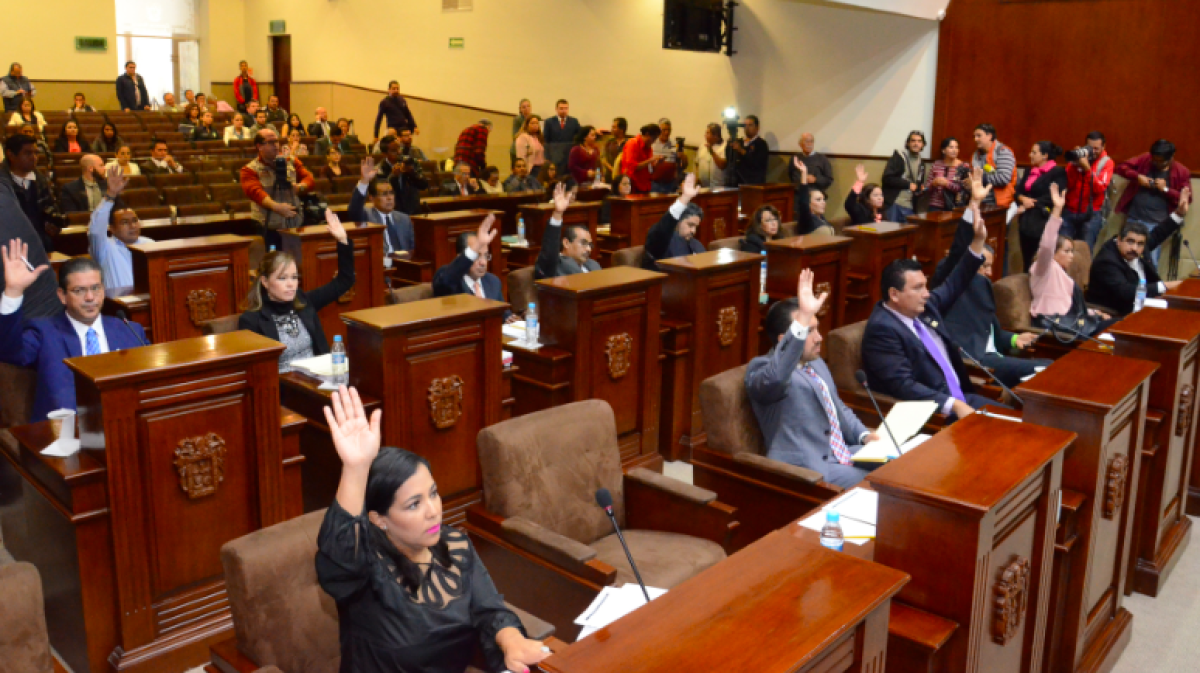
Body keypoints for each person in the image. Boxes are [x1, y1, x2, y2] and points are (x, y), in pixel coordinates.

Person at [316, 385, 549, 673]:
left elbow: (489, 610)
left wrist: (511, 640)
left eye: (433, 493)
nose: (433, 510)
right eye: (414, 504)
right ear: (378, 519)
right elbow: (339, 556)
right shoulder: (366, 571)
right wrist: (356, 469)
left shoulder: (455, 545)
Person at [862, 176, 997, 421]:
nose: (927, 293)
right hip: (938, 414)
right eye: (918, 288)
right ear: (894, 294)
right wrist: (952, 405)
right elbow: (903, 385)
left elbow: (957, 279)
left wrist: (978, 240)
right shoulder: (883, 330)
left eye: (926, 286)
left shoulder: (925, 307)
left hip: (965, 399)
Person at [746, 270, 879, 487]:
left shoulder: (815, 363)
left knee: (903, 464)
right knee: (881, 486)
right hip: (809, 468)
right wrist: (802, 320)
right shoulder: (762, 370)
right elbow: (777, 379)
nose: (819, 338)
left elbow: (837, 407)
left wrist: (864, 435)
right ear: (784, 340)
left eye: (817, 329)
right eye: (810, 331)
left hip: (844, 453)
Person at [0, 247, 149, 422]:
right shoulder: (44, 332)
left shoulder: (130, 331)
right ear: (62, 296)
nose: (90, 297)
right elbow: (8, 352)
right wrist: (13, 292)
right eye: (79, 290)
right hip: (65, 431)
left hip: (124, 425)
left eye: (96, 288)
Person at [936, 180, 1052, 387]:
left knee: (1051, 368)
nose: (989, 272)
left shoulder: (983, 286)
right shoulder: (951, 280)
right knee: (1046, 369)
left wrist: (1015, 340)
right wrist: (973, 203)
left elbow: (990, 331)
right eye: (983, 266)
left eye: (990, 266)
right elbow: (958, 252)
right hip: (976, 362)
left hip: (996, 357)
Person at [237, 209, 354, 372]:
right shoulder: (251, 320)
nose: (291, 284)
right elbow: (255, 371)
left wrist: (342, 240)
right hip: (284, 384)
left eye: (294, 277)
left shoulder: (304, 301)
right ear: (265, 281)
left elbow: (344, 281)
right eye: (282, 278)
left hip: (319, 378)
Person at [1087, 188, 1190, 316]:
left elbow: (1159, 233)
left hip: (1142, 304)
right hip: (1114, 312)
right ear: (1119, 240)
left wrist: (1179, 214)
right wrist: (1165, 285)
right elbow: (1125, 291)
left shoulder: (1139, 247)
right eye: (1130, 242)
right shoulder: (1107, 261)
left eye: (1140, 244)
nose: (1135, 248)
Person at [1029, 183, 1114, 337]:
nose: (1071, 256)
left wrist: (1095, 313)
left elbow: (1070, 307)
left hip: (1071, 321)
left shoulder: (1062, 275)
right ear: (1054, 252)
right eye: (1067, 251)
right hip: (1054, 324)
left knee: (1119, 324)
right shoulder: (1044, 268)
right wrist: (1057, 210)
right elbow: (1047, 245)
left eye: (1072, 251)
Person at [1115, 139, 1192, 268]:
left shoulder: (1181, 171)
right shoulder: (1146, 159)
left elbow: (1186, 199)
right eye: (1154, 160)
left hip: (1155, 224)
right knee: (1125, 257)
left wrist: (1165, 189)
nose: (1156, 163)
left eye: (1161, 161)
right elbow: (1121, 168)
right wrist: (1137, 177)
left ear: (1171, 157)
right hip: (1134, 217)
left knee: (1150, 261)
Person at [240, 129, 316, 249]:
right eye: (270, 142)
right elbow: (255, 192)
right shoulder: (249, 170)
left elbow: (309, 179)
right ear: (259, 146)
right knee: (273, 258)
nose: (275, 145)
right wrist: (276, 207)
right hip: (268, 225)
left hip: (294, 224)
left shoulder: (290, 161)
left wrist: (300, 188)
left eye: (276, 141)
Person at [431, 215, 515, 322]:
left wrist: (510, 319)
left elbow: (504, 315)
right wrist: (475, 247)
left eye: (486, 256)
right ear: (460, 257)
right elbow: (446, 282)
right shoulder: (449, 280)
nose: (483, 262)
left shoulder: (493, 282)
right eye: (477, 256)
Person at [87, 165, 153, 291]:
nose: (132, 226)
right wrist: (110, 194)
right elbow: (95, 230)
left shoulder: (150, 244)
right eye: (124, 222)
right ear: (112, 228)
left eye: (134, 221)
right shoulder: (105, 247)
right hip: (118, 301)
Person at [0, 134, 62, 253]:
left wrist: (52, 225)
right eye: (28, 153)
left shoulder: (40, 180)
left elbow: (51, 208)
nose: (34, 157)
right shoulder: (3, 182)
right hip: (8, 247)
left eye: (36, 153)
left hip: (39, 245)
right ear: (11, 155)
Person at [1013, 141, 1067, 272]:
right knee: (1026, 260)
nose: (1030, 155)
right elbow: (1017, 192)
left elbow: (1054, 196)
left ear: (1045, 155)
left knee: (1039, 260)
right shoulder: (1029, 170)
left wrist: (1032, 203)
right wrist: (1022, 199)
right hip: (1026, 221)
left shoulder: (1057, 172)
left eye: (1034, 152)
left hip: (1042, 221)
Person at [347, 158, 415, 258]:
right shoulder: (367, 216)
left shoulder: (404, 219)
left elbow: (413, 249)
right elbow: (354, 209)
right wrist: (364, 181)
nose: (389, 198)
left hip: (404, 264)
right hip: (380, 263)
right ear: (372, 198)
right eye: (384, 194)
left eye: (391, 193)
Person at [535, 183, 600, 279]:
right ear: (566, 243)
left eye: (590, 245)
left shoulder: (593, 265)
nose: (589, 249)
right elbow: (549, 253)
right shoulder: (556, 265)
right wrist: (558, 214)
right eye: (583, 243)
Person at [1061, 131, 1113, 249]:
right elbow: (1068, 183)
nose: (1093, 151)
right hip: (1070, 210)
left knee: (1084, 250)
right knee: (1062, 248)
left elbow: (1099, 188)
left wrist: (1087, 169)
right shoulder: (1079, 158)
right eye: (1090, 147)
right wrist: (1075, 164)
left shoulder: (1106, 163)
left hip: (1091, 214)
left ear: (1103, 147)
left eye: (1096, 148)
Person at [642, 173, 705, 270]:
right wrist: (684, 199)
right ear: (678, 221)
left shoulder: (696, 245)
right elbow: (664, 228)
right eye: (690, 225)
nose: (693, 231)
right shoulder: (660, 240)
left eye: (696, 227)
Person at [881, 131, 927, 221]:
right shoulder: (899, 157)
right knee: (891, 229)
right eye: (913, 141)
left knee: (910, 229)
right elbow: (887, 178)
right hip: (894, 203)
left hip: (909, 205)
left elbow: (917, 184)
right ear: (908, 143)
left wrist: (920, 189)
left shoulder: (921, 164)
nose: (916, 144)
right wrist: (908, 184)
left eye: (919, 141)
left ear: (923, 145)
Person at [970, 123, 1016, 208]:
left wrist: (979, 179)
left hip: (1000, 204)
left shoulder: (1003, 152)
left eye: (979, 136)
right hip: (979, 201)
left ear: (990, 136)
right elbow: (974, 176)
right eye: (974, 136)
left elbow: (1004, 178)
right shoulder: (976, 155)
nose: (975, 139)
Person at [381, 139, 428, 217]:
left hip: (414, 212)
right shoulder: (379, 170)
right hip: (392, 214)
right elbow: (382, 194)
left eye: (399, 148)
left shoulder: (411, 162)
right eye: (394, 151)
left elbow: (424, 185)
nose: (399, 152)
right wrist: (393, 177)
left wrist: (411, 173)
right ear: (384, 154)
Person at [924, 137, 967, 212]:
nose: (954, 150)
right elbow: (926, 188)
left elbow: (963, 190)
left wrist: (947, 184)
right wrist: (933, 183)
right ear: (943, 150)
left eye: (956, 147)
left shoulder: (963, 166)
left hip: (953, 206)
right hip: (935, 206)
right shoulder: (936, 164)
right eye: (951, 147)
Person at [620, 123, 663, 195]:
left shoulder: (648, 148)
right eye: (654, 138)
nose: (654, 141)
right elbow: (632, 167)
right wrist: (651, 160)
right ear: (647, 134)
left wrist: (657, 162)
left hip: (645, 185)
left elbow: (649, 168)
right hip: (633, 185)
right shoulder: (632, 143)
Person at [649, 118, 689, 193]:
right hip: (654, 183)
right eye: (664, 130)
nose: (667, 133)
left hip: (670, 184)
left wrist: (683, 156)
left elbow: (684, 166)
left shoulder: (675, 145)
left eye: (669, 130)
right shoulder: (652, 143)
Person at [543, 99, 580, 176]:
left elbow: (580, 135)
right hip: (555, 157)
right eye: (561, 108)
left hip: (569, 156)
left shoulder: (574, 121)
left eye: (566, 108)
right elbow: (546, 140)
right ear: (556, 109)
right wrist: (547, 157)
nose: (564, 111)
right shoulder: (549, 122)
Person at [729, 115, 768, 186]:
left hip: (753, 183)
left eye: (750, 125)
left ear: (757, 128)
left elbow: (757, 163)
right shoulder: (739, 142)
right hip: (737, 182)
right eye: (745, 125)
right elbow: (729, 159)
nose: (747, 128)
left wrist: (741, 150)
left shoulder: (761, 143)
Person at [696, 123, 727, 188]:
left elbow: (722, 165)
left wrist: (712, 152)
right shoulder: (702, 146)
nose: (705, 135)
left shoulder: (724, 147)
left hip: (718, 187)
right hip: (703, 187)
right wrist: (697, 178)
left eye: (708, 133)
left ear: (715, 136)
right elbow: (697, 163)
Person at [601, 117, 629, 182]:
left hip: (623, 177)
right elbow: (603, 158)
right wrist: (613, 169)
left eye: (614, 127)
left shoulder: (628, 143)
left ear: (621, 130)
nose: (612, 129)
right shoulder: (609, 142)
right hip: (609, 176)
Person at [510, 98, 532, 165]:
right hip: (517, 150)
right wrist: (524, 125)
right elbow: (515, 137)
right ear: (520, 109)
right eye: (524, 107)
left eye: (528, 106)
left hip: (531, 150)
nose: (526, 108)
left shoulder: (535, 118)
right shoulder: (517, 119)